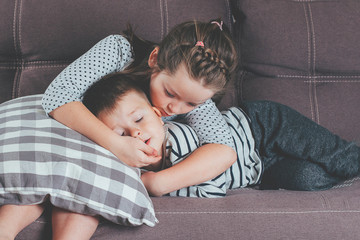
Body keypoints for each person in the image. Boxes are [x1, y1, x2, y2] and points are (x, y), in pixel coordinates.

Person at [41, 19, 238, 197]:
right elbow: (57, 94)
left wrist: (158, 183)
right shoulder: (118, 51)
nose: (175, 108)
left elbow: (224, 150)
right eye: (169, 93)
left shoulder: (196, 93)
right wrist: (114, 144)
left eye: (191, 104)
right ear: (154, 59)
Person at [83, 73, 360, 197]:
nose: (137, 133)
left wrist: (156, 183)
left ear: (158, 114)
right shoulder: (135, 170)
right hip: (261, 171)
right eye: (121, 134)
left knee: (336, 154)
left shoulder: (175, 139)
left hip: (258, 127)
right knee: (307, 178)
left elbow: (213, 185)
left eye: (140, 119)